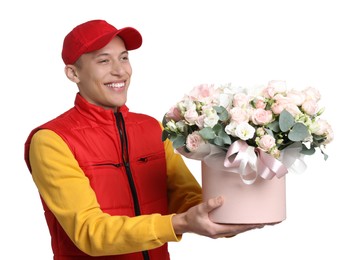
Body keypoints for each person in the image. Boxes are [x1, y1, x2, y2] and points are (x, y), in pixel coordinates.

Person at [24, 19, 265, 260]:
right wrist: (179, 224)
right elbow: (89, 232)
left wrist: (230, 212)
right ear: (73, 73)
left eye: (124, 57)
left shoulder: (152, 128)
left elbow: (186, 198)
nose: (120, 70)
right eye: (104, 60)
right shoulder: (52, 141)